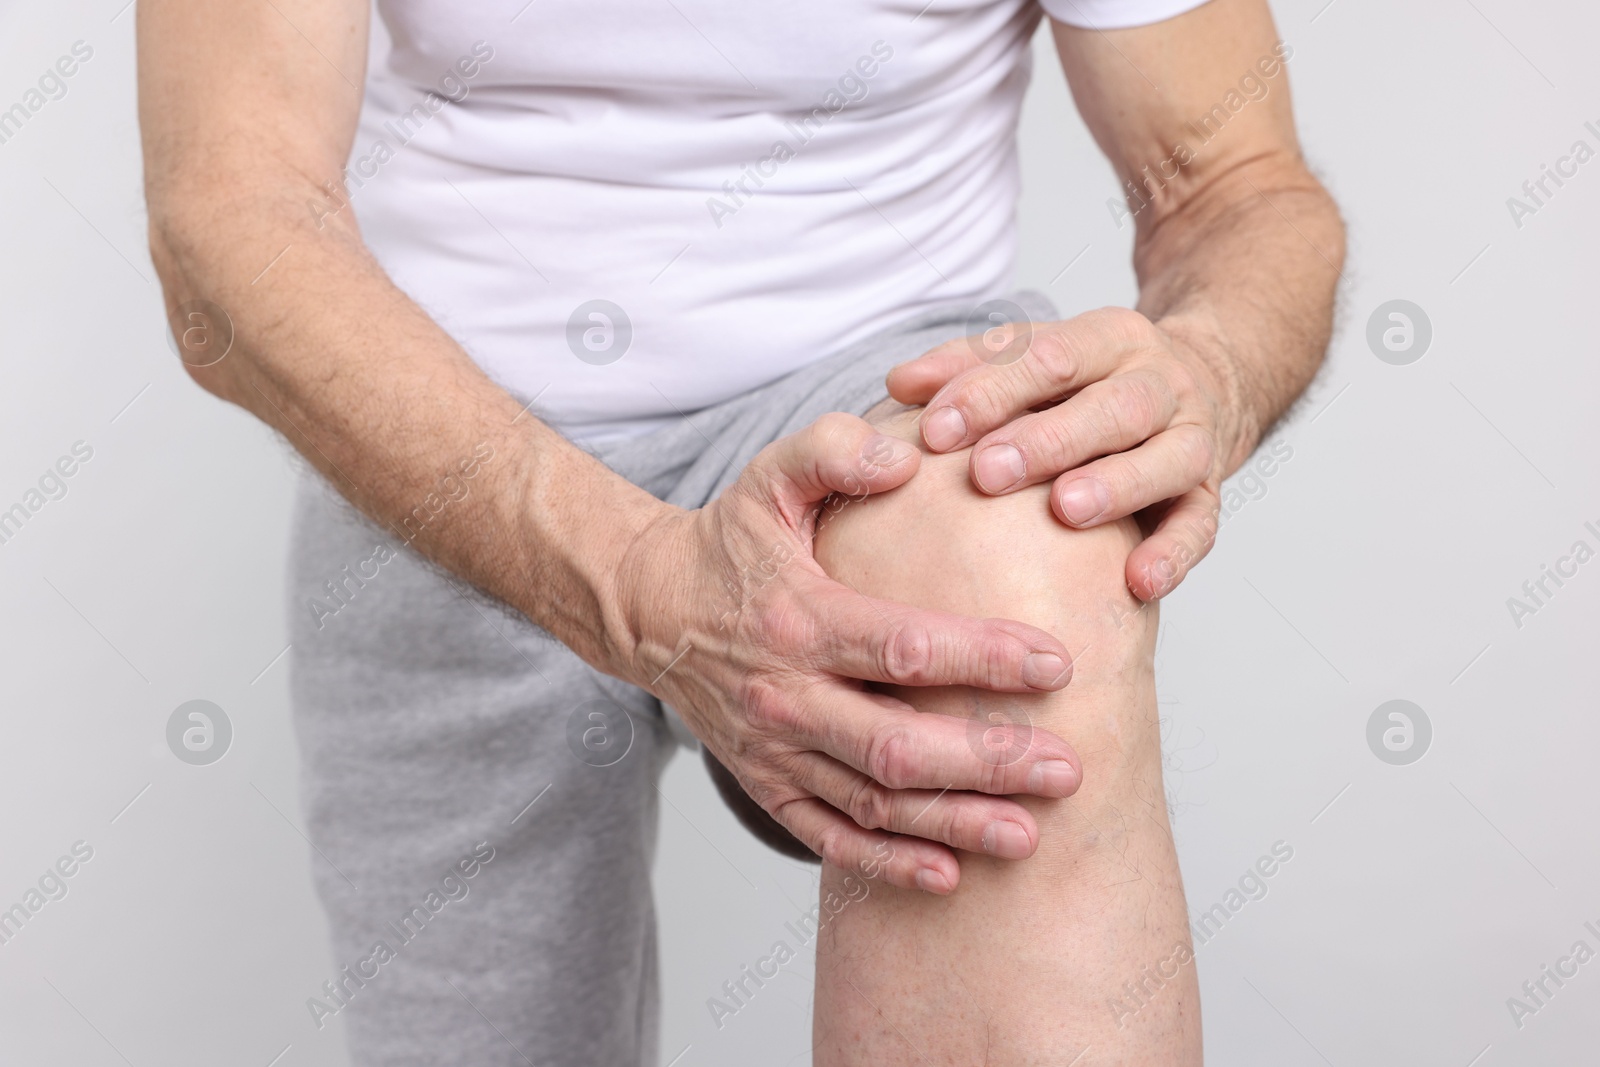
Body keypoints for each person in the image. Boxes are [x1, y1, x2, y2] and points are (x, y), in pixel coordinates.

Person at [138, 0, 1340, 1060]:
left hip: (871, 395)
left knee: (1010, 589)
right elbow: (230, 210)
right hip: (441, 437)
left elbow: (1231, 186)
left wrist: (1213, 367)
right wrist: (631, 578)